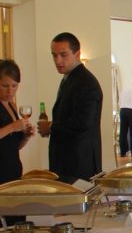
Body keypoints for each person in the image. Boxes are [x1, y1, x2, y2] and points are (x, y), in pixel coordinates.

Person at [37, 32, 103, 182]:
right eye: (54, 55)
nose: (58, 60)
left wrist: (51, 127)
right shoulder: (70, 78)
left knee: (75, 204)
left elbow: (83, 123)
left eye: (63, 55)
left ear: (77, 54)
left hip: (78, 162)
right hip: (68, 160)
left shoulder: (86, 83)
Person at [0, 59, 35, 226]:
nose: (10, 91)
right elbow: (9, 131)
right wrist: (13, 127)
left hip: (12, 168)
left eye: (14, 86)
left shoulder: (13, 106)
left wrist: (25, 137)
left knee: (18, 219)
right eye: (5, 86)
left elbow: (14, 146)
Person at [118, 85, 132, 157]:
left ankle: (123, 152)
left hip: (122, 110)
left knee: (123, 131)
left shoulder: (124, 88)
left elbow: (119, 100)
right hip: (131, 110)